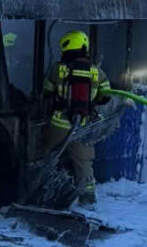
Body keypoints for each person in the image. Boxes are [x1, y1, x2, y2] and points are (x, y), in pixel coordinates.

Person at [41, 30, 111, 205]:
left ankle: (42, 189)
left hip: (59, 123)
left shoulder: (58, 69)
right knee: (83, 162)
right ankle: (88, 198)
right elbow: (106, 96)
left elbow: (47, 92)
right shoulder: (97, 72)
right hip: (83, 126)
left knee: (46, 153)